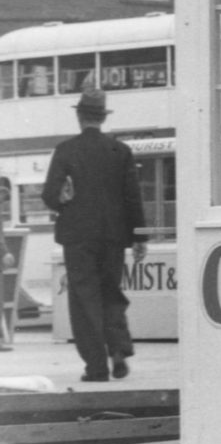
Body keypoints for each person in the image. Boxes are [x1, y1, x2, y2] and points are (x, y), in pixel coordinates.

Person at [42, 86, 148, 382]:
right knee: (111, 293)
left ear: (79, 116)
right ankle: (118, 349)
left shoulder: (65, 151)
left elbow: (50, 195)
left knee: (84, 297)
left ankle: (96, 366)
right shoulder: (121, 151)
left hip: (77, 237)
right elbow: (132, 198)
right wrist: (140, 237)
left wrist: (62, 197)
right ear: (102, 118)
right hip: (114, 237)